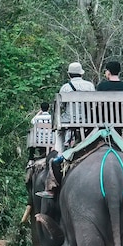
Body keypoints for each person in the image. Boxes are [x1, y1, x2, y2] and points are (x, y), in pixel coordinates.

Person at [36, 62, 95, 199]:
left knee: (59, 132)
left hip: (70, 121)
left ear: (69, 74)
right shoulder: (90, 86)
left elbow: (61, 106)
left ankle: (60, 153)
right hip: (89, 121)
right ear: (81, 73)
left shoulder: (65, 87)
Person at [27, 102, 52, 167]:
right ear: (48, 108)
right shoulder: (51, 117)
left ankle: (31, 159)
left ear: (41, 108)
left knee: (32, 137)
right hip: (50, 140)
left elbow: (32, 121)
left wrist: (39, 113)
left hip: (39, 140)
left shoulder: (37, 118)